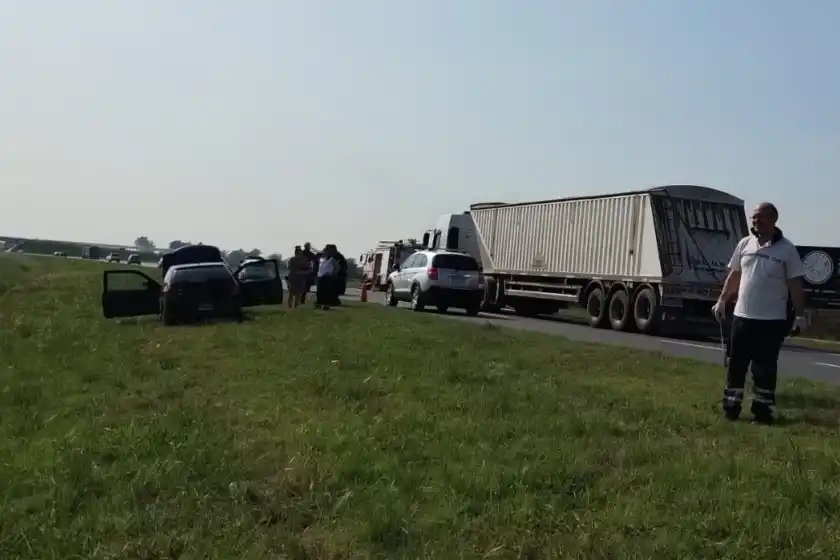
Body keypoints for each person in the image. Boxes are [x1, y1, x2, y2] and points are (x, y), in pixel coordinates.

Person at [712, 202, 808, 424]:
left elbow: (795, 284)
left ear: (773, 220)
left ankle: (763, 412)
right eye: (753, 217)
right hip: (742, 317)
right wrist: (722, 300)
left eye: (760, 217)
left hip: (771, 321)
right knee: (736, 363)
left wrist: (800, 315)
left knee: (764, 367)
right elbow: (734, 275)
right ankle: (731, 408)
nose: (755, 221)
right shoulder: (745, 244)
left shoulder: (786, 249)